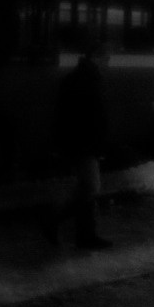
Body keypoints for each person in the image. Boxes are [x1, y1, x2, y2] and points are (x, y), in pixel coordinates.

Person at [47, 39, 113, 249]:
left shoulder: (82, 77)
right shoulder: (85, 79)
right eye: (106, 59)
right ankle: (53, 220)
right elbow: (86, 117)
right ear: (95, 57)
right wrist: (95, 144)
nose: (108, 64)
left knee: (87, 187)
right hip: (82, 144)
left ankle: (86, 235)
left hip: (81, 142)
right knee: (91, 187)